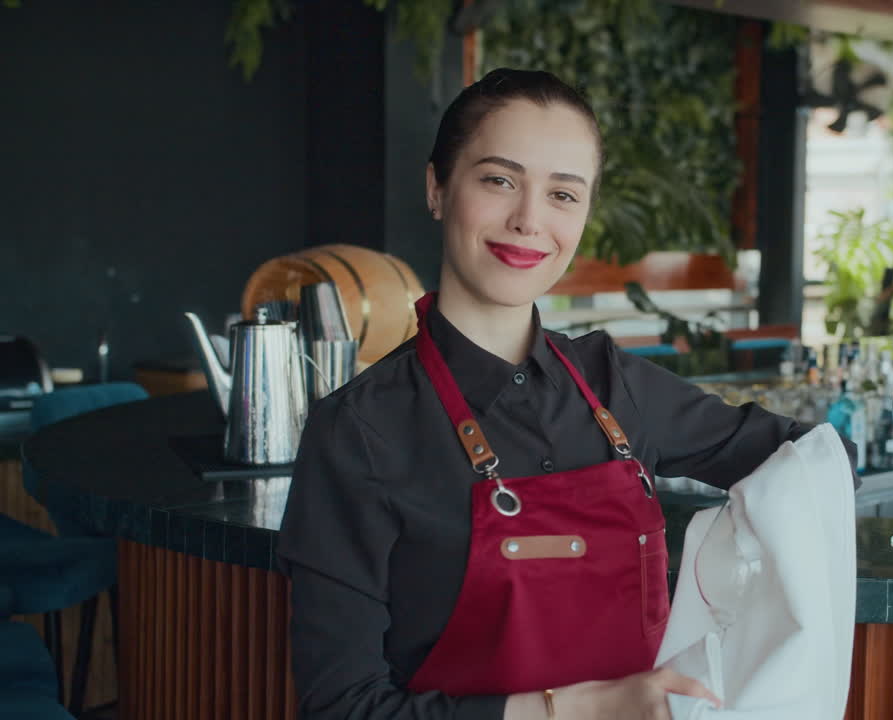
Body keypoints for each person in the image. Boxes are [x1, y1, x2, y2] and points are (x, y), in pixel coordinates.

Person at [276, 67, 860, 720]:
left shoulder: (616, 386)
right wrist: (577, 709)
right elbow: (341, 709)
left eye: (563, 194)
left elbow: (810, 460)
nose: (529, 219)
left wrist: (720, 602)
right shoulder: (360, 430)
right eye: (499, 180)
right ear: (438, 188)